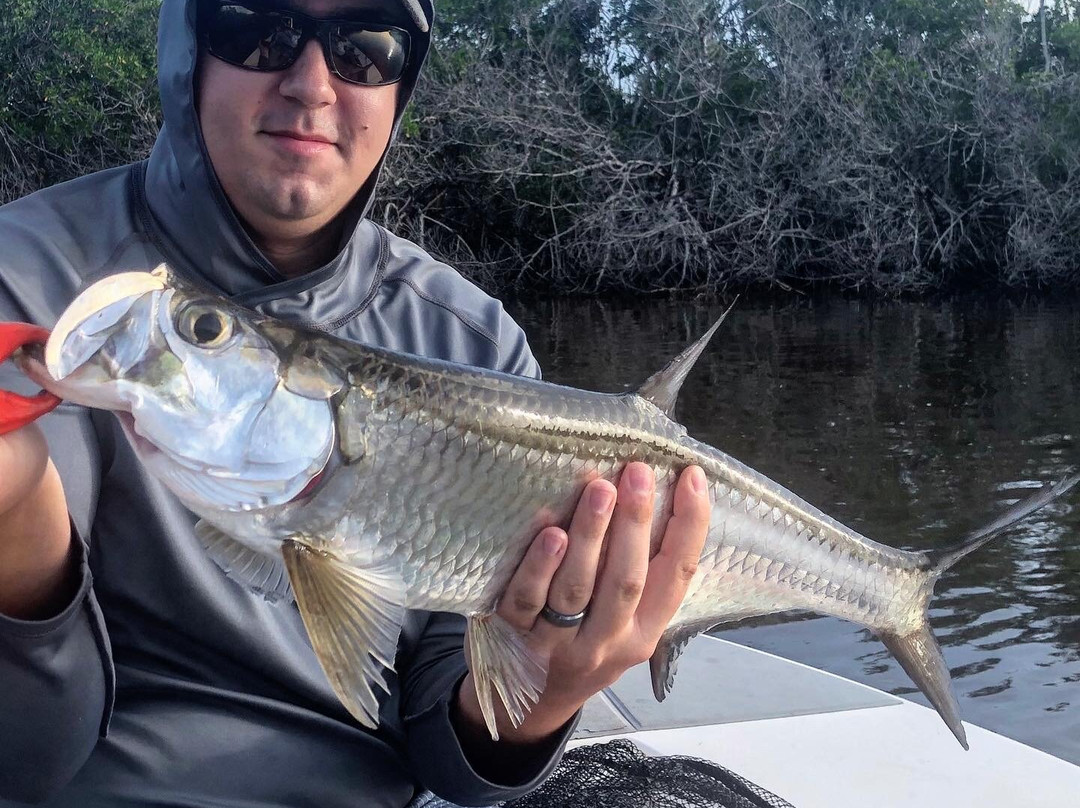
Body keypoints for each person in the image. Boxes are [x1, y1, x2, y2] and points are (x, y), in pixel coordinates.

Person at [0, 0, 711, 805]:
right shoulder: (30, 283)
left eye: (366, 49)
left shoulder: (476, 341)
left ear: (400, 86)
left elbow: (449, 759)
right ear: (187, 50)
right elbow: (26, 757)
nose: (310, 85)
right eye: (256, 29)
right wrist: (18, 536)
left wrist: (539, 699)